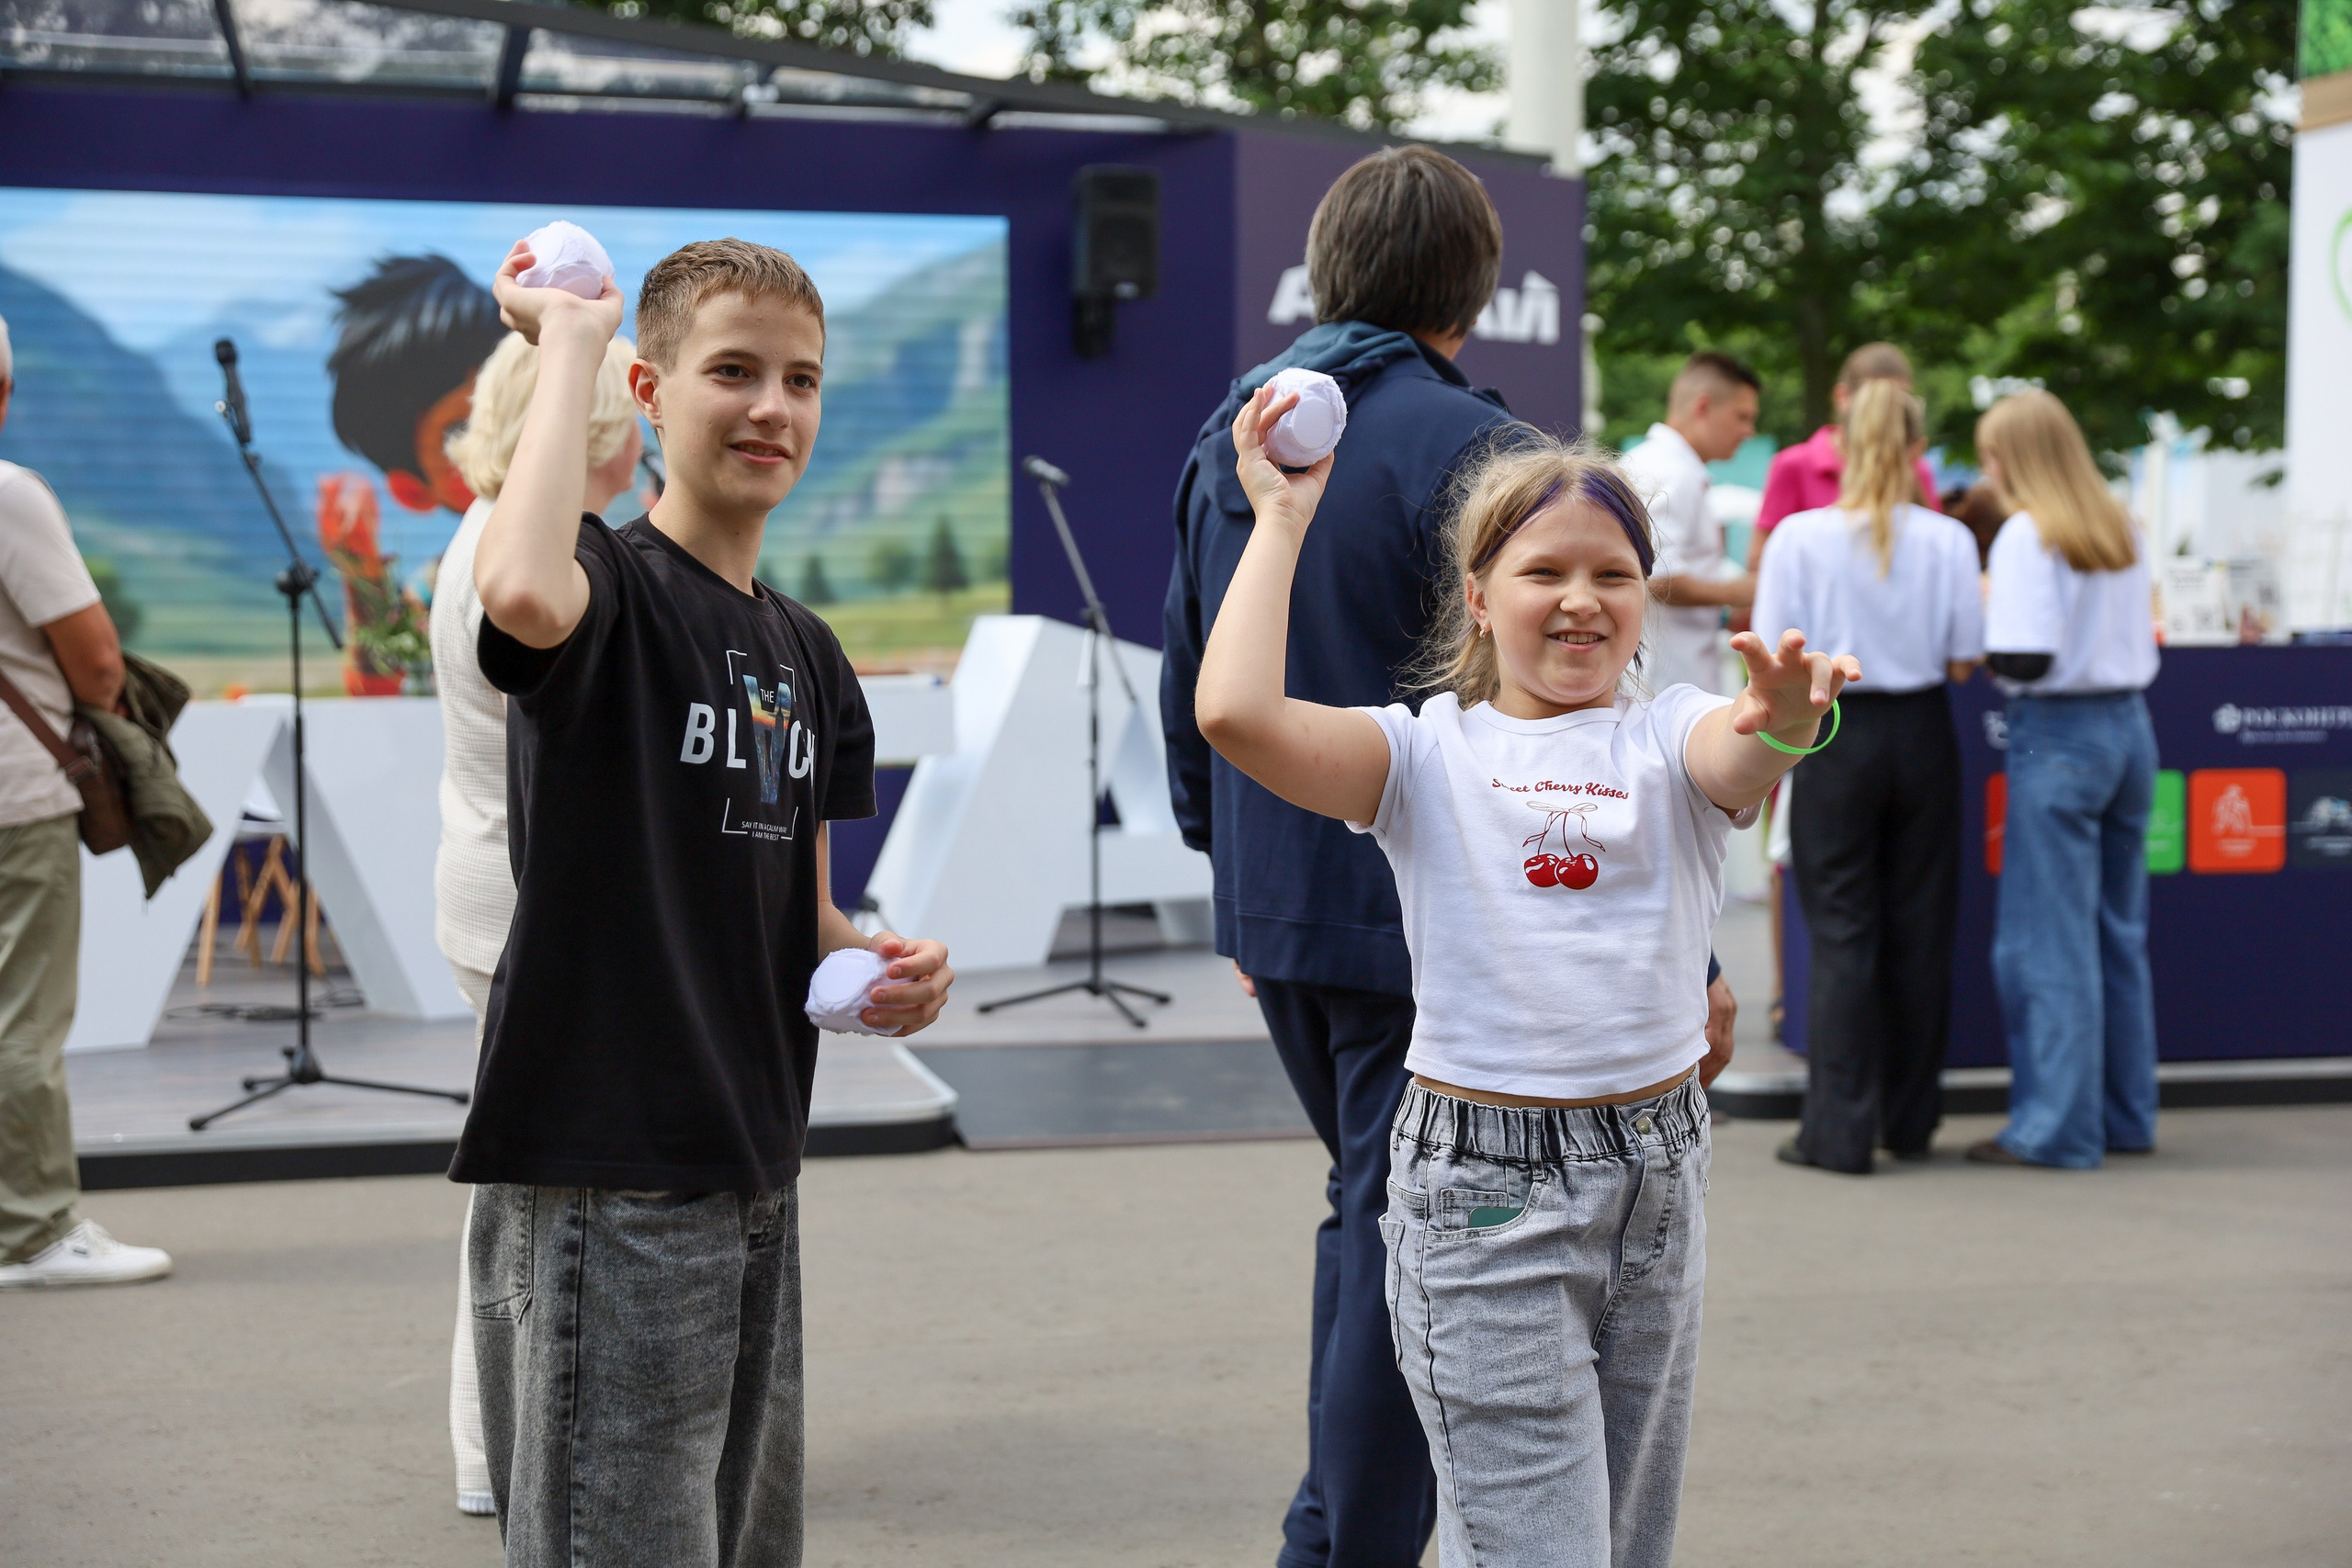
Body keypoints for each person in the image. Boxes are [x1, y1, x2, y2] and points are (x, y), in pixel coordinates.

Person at [1195, 393, 1855, 1568]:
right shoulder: (1422, 755)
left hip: (1658, 1176)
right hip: (1483, 1198)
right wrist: (1282, 518)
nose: (1581, 598)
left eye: (1614, 572)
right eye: (1544, 569)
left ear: (1646, 602)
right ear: (1479, 598)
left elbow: (1739, 748)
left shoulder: (1668, 737)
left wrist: (1788, 723)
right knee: (1542, 1552)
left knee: (1610, 1542)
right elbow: (1235, 714)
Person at [457, 235, 956, 1566]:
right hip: (607, 1171)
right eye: (731, 371)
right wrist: (561, 337)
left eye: (800, 379)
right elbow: (515, 588)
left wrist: (881, 965)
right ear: (651, 389)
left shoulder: (805, 649)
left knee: (739, 1544)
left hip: (752, 1164)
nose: (771, 407)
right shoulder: (606, 589)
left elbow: (807, 916)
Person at [1161, 144, 1518, 1568]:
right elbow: (1524, 712)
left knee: (1372, 1206)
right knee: (1399, 1230)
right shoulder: (1478, 449)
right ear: (1477, 284)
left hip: (1279, 898)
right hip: (1417, 913)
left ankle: (1340, 1522)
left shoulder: (1228, 430)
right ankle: (1345, 1540)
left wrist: (1232, 878)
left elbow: (1188, 665)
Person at [429, 328, 642, 1517]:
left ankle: (494, 1444)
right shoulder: (536, 553)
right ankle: (523, 1445)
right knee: (540, 1202)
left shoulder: (479, 538)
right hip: (530, 908)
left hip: (487, 894)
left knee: (514, 1190)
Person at [1752, 381, 1984, 1174]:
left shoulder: (1799, 536)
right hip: (1922, 729)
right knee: (1920, 927)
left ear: (1842, 445)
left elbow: (1778, 656)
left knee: (1844, 930)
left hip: (1838, 728)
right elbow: (1964, 655)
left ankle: (1840, 1132)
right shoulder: (1948, 539)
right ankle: (1910, 1119)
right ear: (1919, 449)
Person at [0, 313, 173, 1291]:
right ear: (5, 390)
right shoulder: (10, 494)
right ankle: (31, 1233)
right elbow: (98, 661)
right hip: (15, 800)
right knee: (21, 1019)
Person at [1972, 389, 2159, 1169]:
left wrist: (1978, 614)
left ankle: (2056, 1127)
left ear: (2012, 457)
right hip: (2129, 729)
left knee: (2048, 943)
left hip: (2059, 734)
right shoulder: (2120, 525)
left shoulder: (2026, 534)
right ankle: (2124, 1113)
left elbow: (2024, 657)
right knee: (2117, 933)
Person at [1621, 350, 1762, 694]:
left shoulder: (1662, 464)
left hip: (1661, 675)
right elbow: (1657, 577)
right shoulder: (1672, 471)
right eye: (1742, 416)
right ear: (1703, 407)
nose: (1749, 431)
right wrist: (1743, 590)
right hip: (1662, 680)